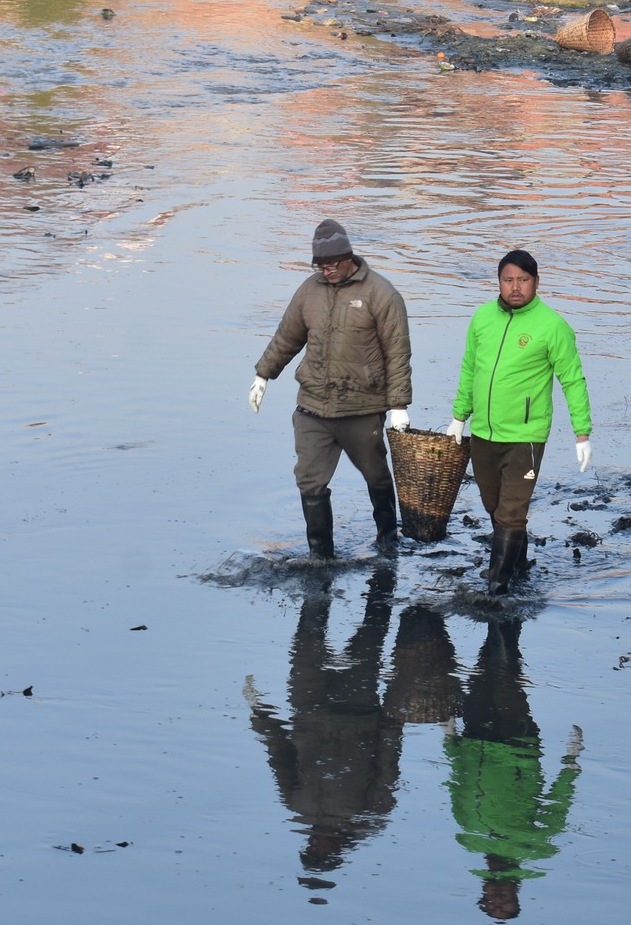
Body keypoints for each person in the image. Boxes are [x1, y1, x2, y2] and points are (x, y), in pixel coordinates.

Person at [250, 219, 412, 560]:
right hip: (312, 406)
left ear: (348, 257)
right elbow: (287, 337)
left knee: (376, 476)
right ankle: (320, 556)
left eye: (332, 264)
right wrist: (264, 375)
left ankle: (388, 539)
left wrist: (398, 405)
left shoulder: (382, 294)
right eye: (320, 266)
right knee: (309, 480)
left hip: (361, 408)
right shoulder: (308, 292)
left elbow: (397, 353)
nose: (326, 271)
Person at [245, 567, 405, 884]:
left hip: (309, 709)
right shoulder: (371, 816)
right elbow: (387, 768)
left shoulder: (297, 807)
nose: (316, 844)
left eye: (311, 850)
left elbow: (280, 756)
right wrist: (392, 724)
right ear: (338, 853)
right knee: (371, 634)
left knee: (306, 636)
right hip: (358, 712)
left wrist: (261, 718)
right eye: (322, 853)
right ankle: (385, 576)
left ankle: (319, 575)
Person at [446, 250, 593, 594]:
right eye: (508, 280)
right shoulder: (482, 318)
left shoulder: (552, 326)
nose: (516, 287)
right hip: (483, 432)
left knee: (511, 512)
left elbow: (573, 380)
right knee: (494, 507)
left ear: (536, 283)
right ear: (498, 282)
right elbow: (470, 369)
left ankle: (496, 585)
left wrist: (582, 433)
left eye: (523, 280)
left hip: (525, 436)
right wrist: (458, 417)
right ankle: (519, 565)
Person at [444, 621, 580, 920]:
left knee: (480, 678)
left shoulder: (468, 840)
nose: (496, 896)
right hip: (517, 745)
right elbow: (558, 805)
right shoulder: (537, 848)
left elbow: (457, 786)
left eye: (491, 903)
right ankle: (504, 618)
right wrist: (570, 764)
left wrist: (450, 743)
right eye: (504, 903)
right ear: (517, 895)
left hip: (474, 742)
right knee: (505, 678)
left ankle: (504, 619)